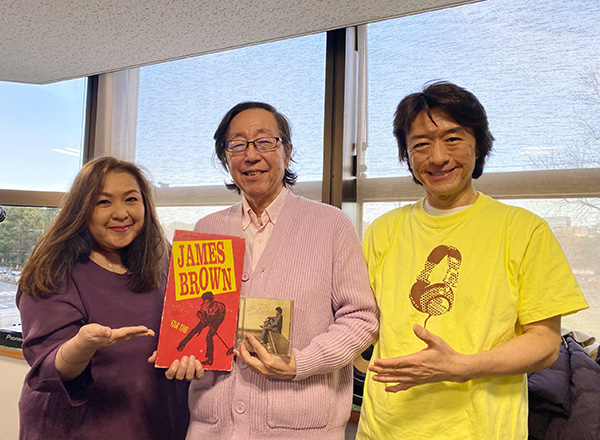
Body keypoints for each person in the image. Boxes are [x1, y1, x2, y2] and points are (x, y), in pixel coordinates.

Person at [356, 81, 589, 440]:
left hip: (482, 429)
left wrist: (463, 366)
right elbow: (361, 321)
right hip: (384, 428)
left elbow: (544, 343)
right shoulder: (383, 230)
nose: (437, 157)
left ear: (478, 145)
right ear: (407, 155)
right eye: (421, 144)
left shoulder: (524, 230)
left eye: (453, 138)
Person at [165, 101, 379, 439]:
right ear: (225, 158)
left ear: (287, 152)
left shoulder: (331, 225)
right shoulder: (207, 228)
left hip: (302, 429)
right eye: (237, 144)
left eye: (264, 142)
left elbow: (361, 318)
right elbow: (189, 316)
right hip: (213, 428)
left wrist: (301, 362)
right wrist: (185, 357)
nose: (251, 155)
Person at [16, 156, 189, 440]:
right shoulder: (56, 271)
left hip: (156, 423)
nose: (121, 213)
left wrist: (191, 359)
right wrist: (81, 347)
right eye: (104, 202)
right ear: (81, 209)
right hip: (76, 430)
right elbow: (46, 369)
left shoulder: (165, 259)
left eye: (131, 199)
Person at [177, 291, 226, 366]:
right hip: (206, 319)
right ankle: (181, 345)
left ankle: (210, 359)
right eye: (205, 302)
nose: (206, 304)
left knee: (209, 337)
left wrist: (214, 326)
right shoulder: (203, 306)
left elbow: (221, 318)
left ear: (213, 300)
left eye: (208, 302)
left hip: (215, 322)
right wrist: (201, 316)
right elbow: (201, 314)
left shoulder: (220, 306)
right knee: (194, 331)